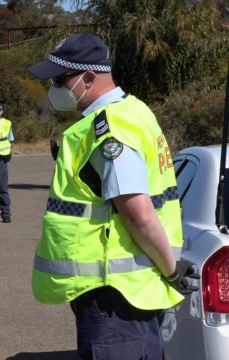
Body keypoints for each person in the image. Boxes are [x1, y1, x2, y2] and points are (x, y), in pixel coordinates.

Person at [27, 33, 199, 359]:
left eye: (60, 79)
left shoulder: (109, 130)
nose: (54, 89)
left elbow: (138, 213)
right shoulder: (135, 110)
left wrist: (171, 269)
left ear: (89, 78)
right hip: (131, 291)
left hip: (113, 296)